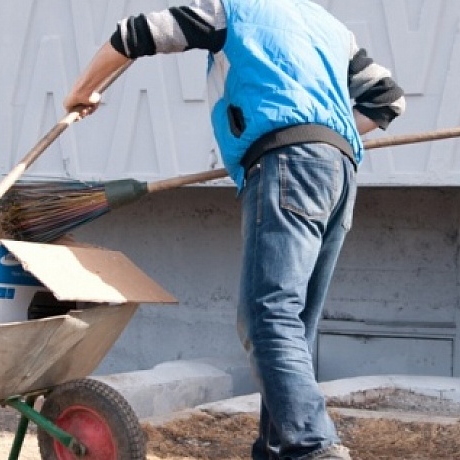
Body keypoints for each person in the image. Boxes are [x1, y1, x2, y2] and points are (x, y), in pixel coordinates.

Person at [64, 1, 405, 459]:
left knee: (269, 318)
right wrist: (325, 134)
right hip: (339, 170)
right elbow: (388, 100)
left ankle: (312, 446)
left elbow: (137, 32)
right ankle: (277, 449)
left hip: (286, 166)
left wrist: (84, 91)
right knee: (292, 327)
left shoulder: (235, 9)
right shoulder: (330, 26)